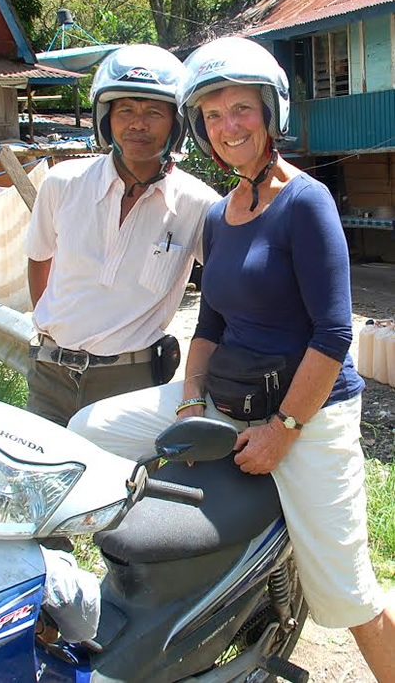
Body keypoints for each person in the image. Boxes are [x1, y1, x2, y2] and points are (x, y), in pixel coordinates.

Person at [68, 37, 395, 681]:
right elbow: (210, 324)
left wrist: (284, 431)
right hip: (222, 397)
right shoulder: (220, 215)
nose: (228, 127)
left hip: (308, 415)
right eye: (212, 115)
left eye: (241, 109)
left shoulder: (307, 202)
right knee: (87, 434)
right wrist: (190, 397)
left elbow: (333, 335)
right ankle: (172, 580)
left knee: (348, 592)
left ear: (272, 115)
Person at [25, 44, 219, 427]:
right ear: (106, 118)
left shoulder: (200, 205)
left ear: (176, 123)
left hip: (131, 382)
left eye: (153, 112)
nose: (138, 124)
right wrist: (55, 327)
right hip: (49, 373)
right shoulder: (63, 183)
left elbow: (227, 291)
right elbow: (39, 260)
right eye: (125, 110)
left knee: (119, 484)